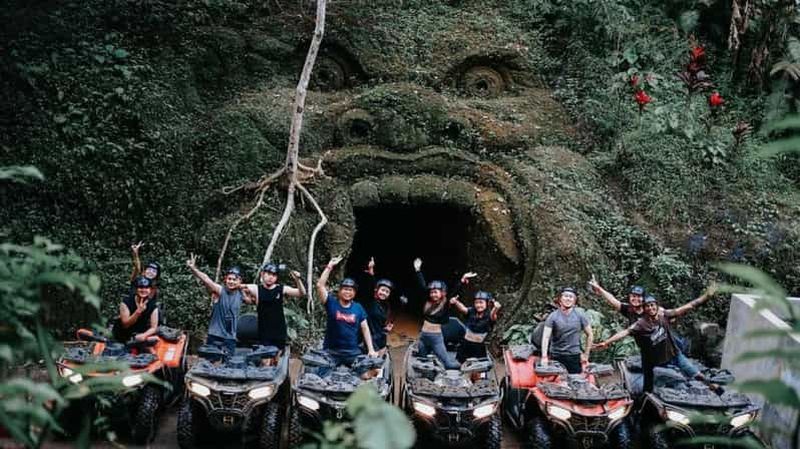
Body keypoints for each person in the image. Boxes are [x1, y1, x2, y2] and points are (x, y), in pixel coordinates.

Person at [594, 284, 719, 393]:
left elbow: (687, 307)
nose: (650, 308)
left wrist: (706, 296)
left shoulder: (661, 313)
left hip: (670, 350)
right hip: (650, 355)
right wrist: (607, 342)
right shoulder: (637, 320)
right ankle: (643, 405)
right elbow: (624, 329)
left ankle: (716, 390)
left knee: (694, 372)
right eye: (633, 296)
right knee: (647, 385)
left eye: (652, 305)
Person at [413, 257, 474, 370]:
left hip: (436, 338)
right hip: (423, 337)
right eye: (431, 292)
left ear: (442, 293)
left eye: (436, 292)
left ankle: (465, 368)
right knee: (421, 362)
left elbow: (454, 291)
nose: (433, 294)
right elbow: (422, 286)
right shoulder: (427, 302)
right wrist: (418, 271)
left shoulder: (445, 303)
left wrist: (462, 280)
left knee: (449, 364)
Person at [317, 256, 378, 366]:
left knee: (373, 371)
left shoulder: (358, 308)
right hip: (331, 352)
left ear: (354, 293)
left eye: (350, 290)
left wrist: (371, 349)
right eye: (345, 289)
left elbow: (365, 328)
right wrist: (329, 266)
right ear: (339, 291)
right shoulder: (331, 303)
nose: (347, 292)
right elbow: (320, 285)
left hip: (352, 353)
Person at [186, 254, 246, 355]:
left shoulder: (241, 294)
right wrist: (193, 269)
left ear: (240, 281)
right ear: (225, 279)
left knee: (228, 364)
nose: (231, 281)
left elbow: (255, 292)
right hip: (215, 334)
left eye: (235, 279)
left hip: (230, 336)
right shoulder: (220, 291)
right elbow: (206, 279)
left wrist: (242, 286)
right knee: (211, 363)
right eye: (229, 279)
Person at [241, 262, 306, 349]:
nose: (271, 277)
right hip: (264, 332)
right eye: (268, 274)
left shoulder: (281, 289)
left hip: (279, 331)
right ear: (262, 274)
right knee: (265, 359)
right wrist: (248, 300)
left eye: (274, 275)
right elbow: (238, 287)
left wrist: (298, 279)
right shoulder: (256, 289)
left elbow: (301, 293)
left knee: (276, 360)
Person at [540, 287, 593, 374]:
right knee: (557, 384)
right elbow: (546, 337)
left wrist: (586, 355)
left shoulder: (580, 316)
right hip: (556, 355)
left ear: (574, 301)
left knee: (576, 382)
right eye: (565, 296)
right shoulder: (553, 316)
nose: (568, 298)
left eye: (571, 297)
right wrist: (544, 356)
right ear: (560, 299)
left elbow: (590, 334)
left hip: (574, 355)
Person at [353, 257, 395, 355]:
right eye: (382, 290)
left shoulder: (386, 305)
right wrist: (371, 273)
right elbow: (369, 286)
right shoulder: (369, 301)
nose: (384, 293)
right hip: (366, 338)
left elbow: (380, 323)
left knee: (381, 359)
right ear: (376, 290)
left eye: (387, 292)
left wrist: (386, 328)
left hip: (379, 338)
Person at [449, 290, 501, 362]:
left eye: (481, 302)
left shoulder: (489, 315)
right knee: (462, 363)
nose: (478, 305)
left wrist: (495, 308)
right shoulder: (472, 311)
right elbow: (463, 309)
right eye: (476, 302)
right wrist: (456, 302)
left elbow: (493, 315)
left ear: (487, 303)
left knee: (478, 367)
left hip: (478, 346)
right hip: (466, 344)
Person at [116, 276, 159, 342]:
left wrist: (144, 335)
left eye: (146, 288)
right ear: (136, 289)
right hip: (122, 335)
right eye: (141, 287)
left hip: (139, 334)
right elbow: (125, 324)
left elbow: (154, 327)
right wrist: (138, 312)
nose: (144, 290)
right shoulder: (126, 302)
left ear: (150, 290)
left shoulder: (153, 305)